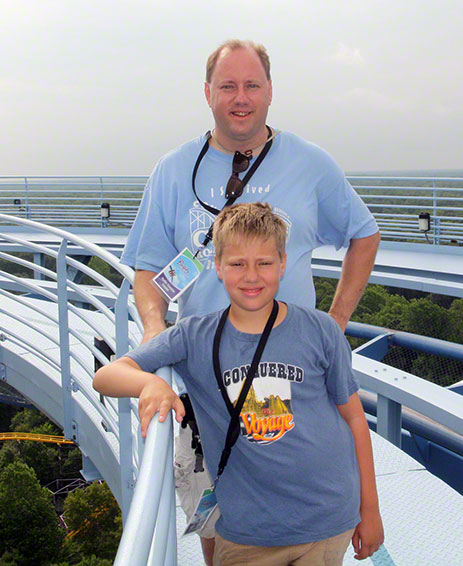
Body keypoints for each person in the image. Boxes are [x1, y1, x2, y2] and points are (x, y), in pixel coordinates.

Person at [120, 39, 381, 564]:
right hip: (207, 382)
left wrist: (336, 320)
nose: (241, 98)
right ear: (208, 93)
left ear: (269, 91)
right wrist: (154, 335)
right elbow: (148, 268)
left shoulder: (310, 162)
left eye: (252, 85)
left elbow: (364, 232)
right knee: (218, 518)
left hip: (294, 370)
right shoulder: (173, 170)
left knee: (302, 485)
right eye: (228, 86)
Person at [96, 202, 384, 566]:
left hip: (327, 521)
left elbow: (355, 420)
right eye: (237, 264)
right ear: (217, 267)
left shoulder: (320, 330)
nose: (252, 276)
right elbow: (106, 375)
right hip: (248, 531)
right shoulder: (195, 336)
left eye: (264, 263)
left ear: (283, 264)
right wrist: (149, 385)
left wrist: (369, 510)